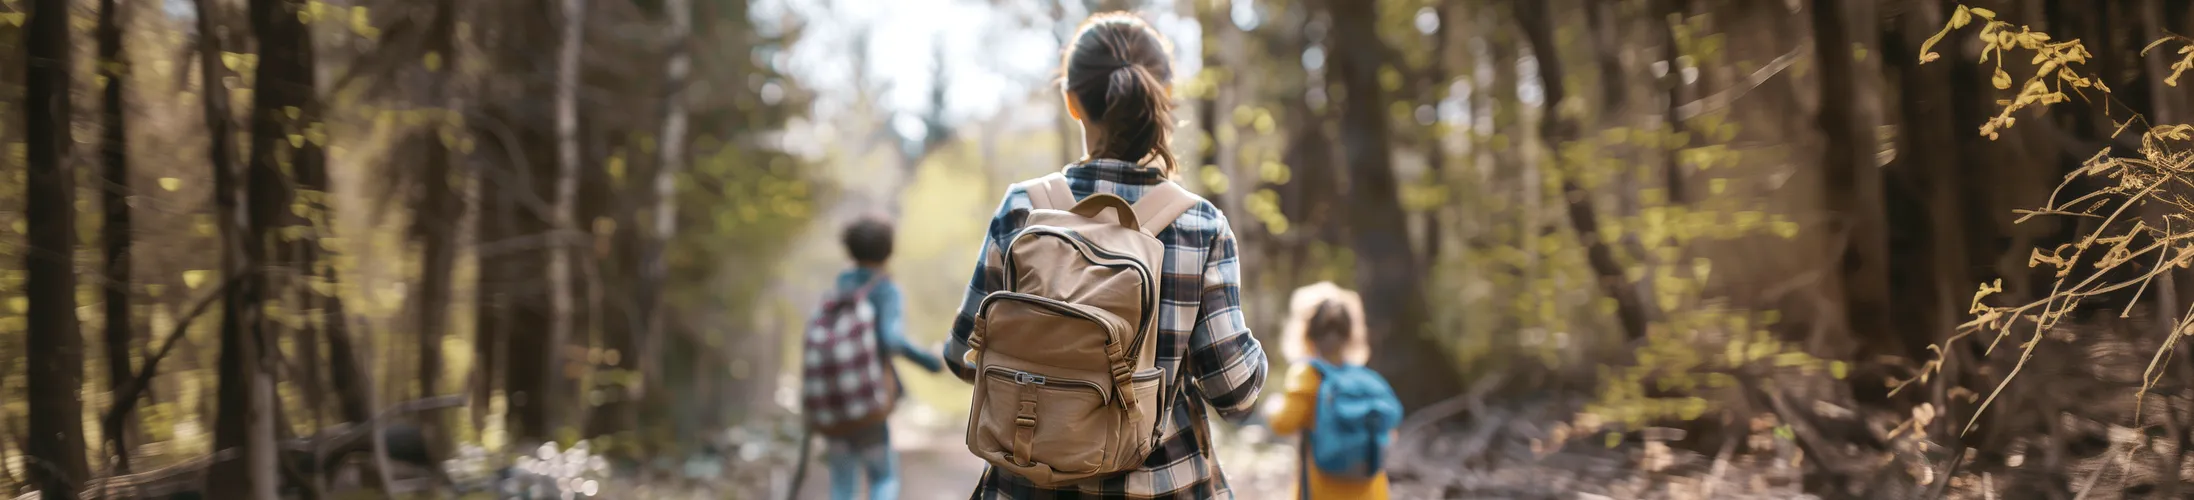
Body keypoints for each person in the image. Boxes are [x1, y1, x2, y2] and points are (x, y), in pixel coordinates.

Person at [940, 11, 1268, 499]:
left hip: (1027, 484)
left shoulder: (1023, 210)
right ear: (1164, 99)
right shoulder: (1199, 226)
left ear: (1072, 101)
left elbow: (963, 356)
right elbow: (1234, 390)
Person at [824, 214, 946, 500]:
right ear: (888, 250)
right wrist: (931, 361)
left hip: (834, 395)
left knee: (842, 482)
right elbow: (891, 339)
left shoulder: (841, 284)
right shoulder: (885, 289)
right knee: (883, 477)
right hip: (869, 395)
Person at [1266, 282, 1394, 499]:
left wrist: (1272, 407)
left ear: (1306, 333)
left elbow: (1284, 423)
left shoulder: (1307, 375)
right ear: (1351, 334)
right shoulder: (1363, 379)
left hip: (1324, 489)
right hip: (1370, 490)